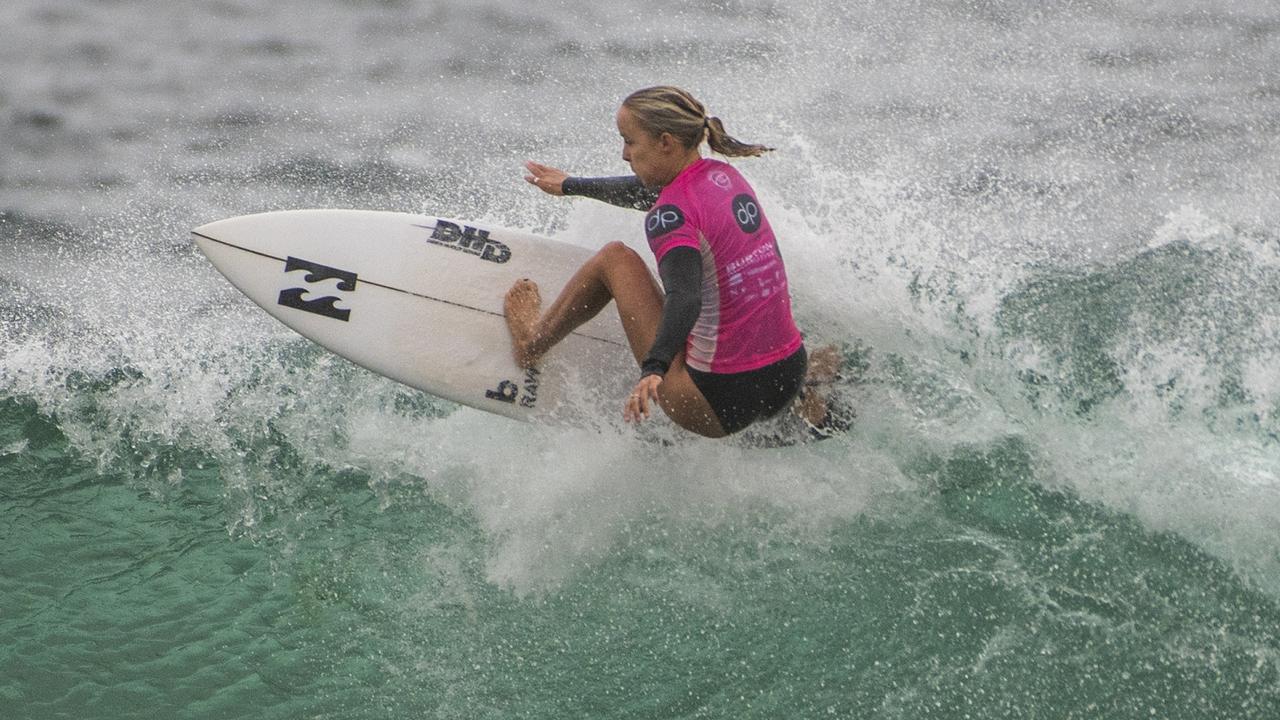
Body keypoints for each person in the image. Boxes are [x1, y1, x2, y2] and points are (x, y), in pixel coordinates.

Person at [504, 85, 815, 438]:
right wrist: (571, 185)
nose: (624, 154)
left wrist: (654, 368)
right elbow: (648, 192)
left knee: (614, 258)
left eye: (630, 141)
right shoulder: (726, 176)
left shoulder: (669, 214)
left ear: (665, 142)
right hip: (788, 377)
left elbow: (685, 296)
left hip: (716, 402)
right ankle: (809, 398)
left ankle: (530, 346)